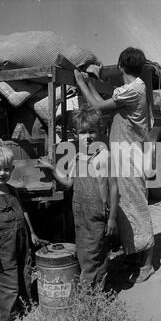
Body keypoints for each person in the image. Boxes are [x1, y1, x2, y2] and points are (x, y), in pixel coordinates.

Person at [74, 47, 155, 283]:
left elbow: (98, 107)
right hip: (123, 155)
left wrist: (81, 84)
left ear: (120, 66)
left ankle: (147, 264)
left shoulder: (132, 89)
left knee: (137, 207)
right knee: (124, 207)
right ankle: (134, 256)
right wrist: (88, 84)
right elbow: (102, 102)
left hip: (129, 156)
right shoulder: (132, 89)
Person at [36, 105, 119, 288]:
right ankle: (101, 290)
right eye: (83, 132)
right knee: (94, 252)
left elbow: (114, 188)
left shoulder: (105, 156)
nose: (88, 136)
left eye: (92, 131)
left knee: (89, 255)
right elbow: (68, 183)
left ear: (100, 132)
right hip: (81, 215)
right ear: (76, 134)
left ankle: (88, 297)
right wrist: (52, 169)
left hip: (97, 214)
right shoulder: (78, 157)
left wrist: (112, 218)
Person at [0, 145, 47, 321]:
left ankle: (24, 304)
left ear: (12, 169)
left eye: (7, 169)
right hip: (1, 245)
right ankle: (6, 316)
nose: (2, 173)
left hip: (20, 239)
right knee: (4, 279)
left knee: (23, 271)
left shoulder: (13, 190)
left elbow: (23, 212)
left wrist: (31, 232)